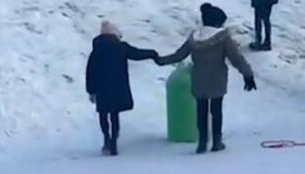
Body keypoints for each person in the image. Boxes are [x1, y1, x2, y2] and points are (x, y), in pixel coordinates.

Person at [157, 3, 257, 154]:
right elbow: (236, 58)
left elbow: (179, 55)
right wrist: (247, 74)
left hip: (198, 77)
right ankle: (217, 141)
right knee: (216, 109)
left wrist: (160, 60)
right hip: (217, 77)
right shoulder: (223, 38)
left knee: (201, 110)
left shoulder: (194, 38)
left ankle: (202, 142)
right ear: (217, 22)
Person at [85, 21, 158, 156]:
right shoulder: (120, 47)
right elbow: (136, 54)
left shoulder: (96, 50)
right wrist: (152, 54)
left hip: (102, 88)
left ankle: (106, 140)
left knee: (103, 114)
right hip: (117, 87)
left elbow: (90, 71)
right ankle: (113, 142)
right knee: (114, 114)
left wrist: (91, 90)